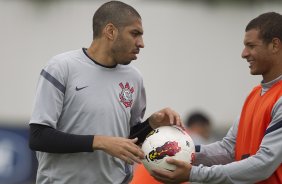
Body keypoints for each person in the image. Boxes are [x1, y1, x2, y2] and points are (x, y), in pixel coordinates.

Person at [28, 1, 182, 184]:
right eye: (135, 34)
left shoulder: (134, 78)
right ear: (110, 31)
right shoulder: (61, 67)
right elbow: (39, 137)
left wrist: (152, 123)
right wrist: (100, 142)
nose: (141, 43)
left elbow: (128, 140)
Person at [151, 12, 282, 184]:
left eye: (251, 46)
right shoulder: (255, 93)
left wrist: (194, 174)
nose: (244, 53)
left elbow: (264, 163)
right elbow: (228, 149)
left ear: (275, 45)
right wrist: (177, 151)